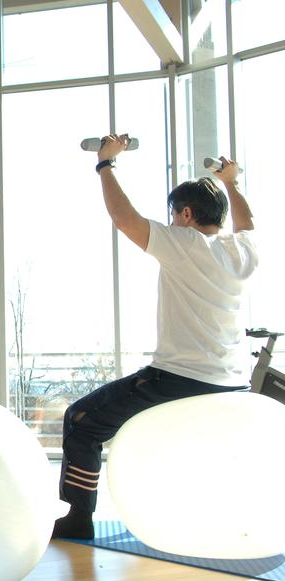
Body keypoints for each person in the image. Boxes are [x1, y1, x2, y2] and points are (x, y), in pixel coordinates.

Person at [52, 136, 257, 539]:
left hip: (181, 379)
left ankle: (78, 517)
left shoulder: (185, 243)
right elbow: (248, 223)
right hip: (234, 383)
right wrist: (232, 183)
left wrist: (105, 165)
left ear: (185, 214)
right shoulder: (240, 252)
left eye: (173, 214)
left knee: (81, 419)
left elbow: (125, 219)